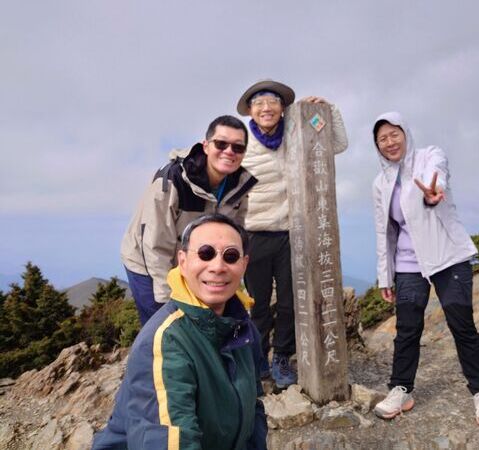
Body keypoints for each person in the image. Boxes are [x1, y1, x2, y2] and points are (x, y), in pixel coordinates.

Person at [92, 213, 268, 450]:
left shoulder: (243, 329)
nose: (218, 267)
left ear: (244, 264)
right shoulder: (166, 341)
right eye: (205, 253)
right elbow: (169, 440)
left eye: (230, 256)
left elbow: (252, 410)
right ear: (183, 262)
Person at [370, 111, 479, 428]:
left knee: (461, 325)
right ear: (377, 145)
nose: (390, 142)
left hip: (447, 257)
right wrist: (386, 275)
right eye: (382, 139)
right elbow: (384, 231)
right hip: (408, 264)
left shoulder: (430, 156)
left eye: (394, 134)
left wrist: (433, 192)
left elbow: (437, 180)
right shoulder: (380, 183)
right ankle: (401, 390)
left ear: (405, 133)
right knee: (407, 329)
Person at [236, 79, 348, 389]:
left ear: (283, 107)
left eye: (272, 101)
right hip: (254, 233)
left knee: (290, 301)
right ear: (250, 111)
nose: (266, 108)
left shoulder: (295, 130)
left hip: (292, 232)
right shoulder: (242, 140)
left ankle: (282, 357)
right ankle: (258, 358)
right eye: (259, 103)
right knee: (257, 303)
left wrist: (326, 110)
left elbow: (336, 145)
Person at [121, 115, 257, 325]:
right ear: (206, 146)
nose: (229, 151)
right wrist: (167, 300)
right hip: (147, 261)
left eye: (237, 147)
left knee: (201, 322)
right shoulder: (172, 180)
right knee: (164, 325)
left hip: (195, 261)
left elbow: (235, 239)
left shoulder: (239, 187)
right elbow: (155, 246)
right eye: (221, 144)